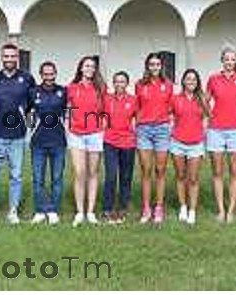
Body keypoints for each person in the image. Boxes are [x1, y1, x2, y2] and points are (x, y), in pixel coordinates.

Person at [0, 43, 36, 225]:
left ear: (17, 58)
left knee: (16, 176)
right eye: (6, 56)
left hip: (18, 136)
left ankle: (13, 211)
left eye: (13, 56)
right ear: (2, 58)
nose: (9, 59)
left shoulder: (27, 78)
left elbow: (32, 103)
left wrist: (24, 112)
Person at [205, 46, 236, 223]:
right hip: (216, 129)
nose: (230, 62)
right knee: (217, 171)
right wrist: (210, 114)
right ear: (222, 60)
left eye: (233, 59)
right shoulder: (213, 79)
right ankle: (220, 210)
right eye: (227, 59)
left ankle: (231, 210)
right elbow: (206, 99)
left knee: (234, 171)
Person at [67, 56, 106, 227]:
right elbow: (64, 108)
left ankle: (90, 212)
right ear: (81, 68)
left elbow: (106, 111)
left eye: (92, 66)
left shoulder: (101, 89)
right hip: (76, 135)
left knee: (93, 172)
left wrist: (102, 128)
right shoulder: (71, 88)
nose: (90, 68)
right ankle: (79, 212)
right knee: (79, 171)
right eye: (87, 65)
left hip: (95, 135)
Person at [135, 53, 174, 224]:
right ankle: (146, 207)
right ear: (147, 66)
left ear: (161, 66)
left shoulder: (168, 85)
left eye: (157, 64)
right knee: (146, 170)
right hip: (144, 129)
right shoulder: (139, 85)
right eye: (151, 64)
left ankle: (158, 207)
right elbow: (137, 107)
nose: (154, 67)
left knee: (160, 170)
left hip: (162, 130)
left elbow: (171, 107)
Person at [29, 61, 67, 226]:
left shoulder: (63, 91)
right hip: (38, 142)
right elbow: (25, 111)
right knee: (38, 179)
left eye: (51, 74)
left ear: (55, 74)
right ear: (41, 75)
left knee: (57, 178)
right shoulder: (33, 92)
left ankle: (52, 210)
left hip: (58, 141)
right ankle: (39, 210)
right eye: (46, 74)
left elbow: (67, 111)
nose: (49, 77)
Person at [170, 69, 210, 226]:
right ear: (183, 81)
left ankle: (192, 210)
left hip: (196, 143)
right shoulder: (176, 99)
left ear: (197, 82)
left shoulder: (202, 99)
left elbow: (208, 117)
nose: (191, 82)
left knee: (193, 178)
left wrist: (204, 134)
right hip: (178, 143)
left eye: (194, 79)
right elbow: (169, 116)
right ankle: (183, 207)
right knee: (180, 176)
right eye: (188, 79)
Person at [102, 71, 138, 224]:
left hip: (128, 143)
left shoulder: (133, 99)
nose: (119, 84)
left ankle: (123, 207)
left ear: (127, 84)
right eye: (116, 81)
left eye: (122, 82)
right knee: (111, 176)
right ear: (113, 83)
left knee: (126, 176)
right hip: (110, 141)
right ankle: (107, 208)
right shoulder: (107, 98)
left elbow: (139, 117)